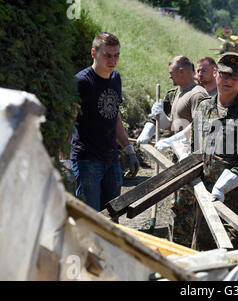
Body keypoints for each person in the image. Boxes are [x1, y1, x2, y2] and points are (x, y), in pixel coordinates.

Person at [190, 52, 238, 251]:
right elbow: (196, 149)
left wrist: (227, 183)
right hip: (206, 197)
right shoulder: (203, 107)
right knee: (204, 254)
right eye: (224, 74)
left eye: (234, 76)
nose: (228, 80)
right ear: (215, 73)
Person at [70, 32, 139, 212]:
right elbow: (69, 119)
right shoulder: (82, 81)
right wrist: (64, 160)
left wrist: (128, 148)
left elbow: (114, 115)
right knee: (91, 220)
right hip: (86, 160)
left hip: (111, 159)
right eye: (107, 55)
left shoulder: (116, 79)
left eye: (116, 55)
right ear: (94, 53)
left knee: (113, 219)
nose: (112, 60)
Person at [148, 56, 208, 247]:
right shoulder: (179, 94)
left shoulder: (197, 95)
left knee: (185, 210)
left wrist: (173, 140)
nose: (170, 77)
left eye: (171, 73)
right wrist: (162, 118)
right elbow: (174, 126)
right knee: (177, 207)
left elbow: (198, 126)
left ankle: (185, 251)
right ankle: (177, 248)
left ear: (182, 71)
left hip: (190, 162)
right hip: (179, 160)